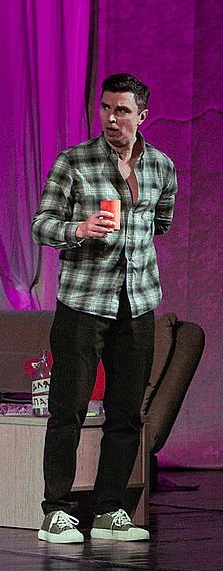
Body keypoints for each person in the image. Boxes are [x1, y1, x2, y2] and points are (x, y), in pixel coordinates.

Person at [31, 73, 177, 543]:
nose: (112, 119)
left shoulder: (161, 166)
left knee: (127, 412)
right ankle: (55, 510)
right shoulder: (74, 162)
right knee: (69, 408)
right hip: (83, 302)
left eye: (122, 111)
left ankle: (110, 509)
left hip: (137, 302)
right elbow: (41, 225)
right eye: (106, 109)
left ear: (142, 116)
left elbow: (161, 222)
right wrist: (78, 230)